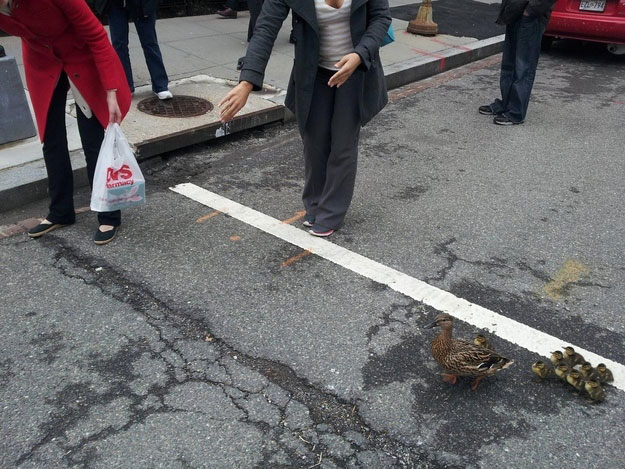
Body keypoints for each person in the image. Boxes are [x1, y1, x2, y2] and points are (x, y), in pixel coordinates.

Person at [219, 0, 391, 237]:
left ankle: (331, 212)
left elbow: (381, 18)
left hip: (355, 73)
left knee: (342, 144)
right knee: (314, 142)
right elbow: (266, 27)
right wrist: (247, 81)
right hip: (313, 72)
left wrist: (360, 54)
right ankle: (315, 204)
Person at [0, 0, 132, 244]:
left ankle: (109, 215)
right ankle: (60, 212)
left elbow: (96, 35)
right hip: (42, 60)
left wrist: (110, 91)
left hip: (82, 56)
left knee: (92, 139)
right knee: (51, 138)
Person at [479, 0, 556, 125]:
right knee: (509, 64)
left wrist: (530, 11)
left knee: (524, 66)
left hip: (530, 16)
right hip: (515, 12)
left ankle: (516, 112)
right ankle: (506, 104)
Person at [96, 0, 172, 99]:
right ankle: (126, 87)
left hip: (142, 3)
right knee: (119, 46)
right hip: (115, 4)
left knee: (150, 42)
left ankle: (160, 85)